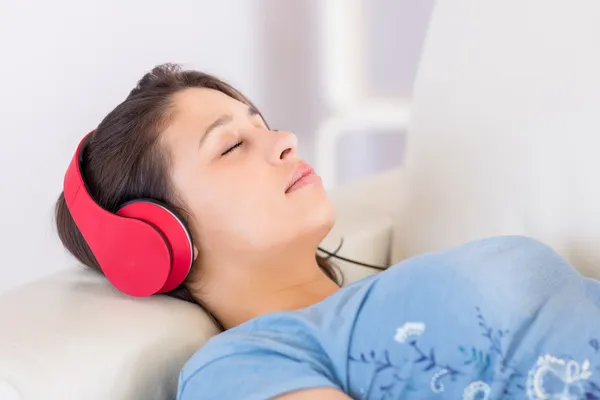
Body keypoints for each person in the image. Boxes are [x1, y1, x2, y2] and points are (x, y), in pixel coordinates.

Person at [55, 64, 600, 400]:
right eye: (231, 145)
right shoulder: (242, 363)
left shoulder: (388, 287)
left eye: (262, 125)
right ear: (156, 240)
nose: (287, 139)